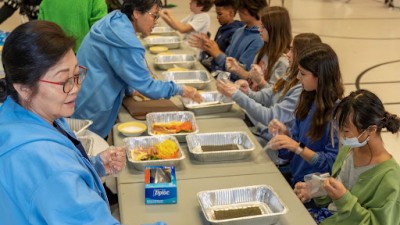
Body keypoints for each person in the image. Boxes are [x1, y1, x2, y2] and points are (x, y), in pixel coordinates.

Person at [0, 20, 124, 224]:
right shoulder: (48, 164)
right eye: (63, 81)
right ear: (24, 87)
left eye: (77, 75)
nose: (75, 88)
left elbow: (42, 188)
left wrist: (94, 167)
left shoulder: (20, 111)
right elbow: (52, 176)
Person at [72, 0, 202, 139]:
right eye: (154, 15)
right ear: (136, 13)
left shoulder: (116, 19)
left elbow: (116, 65)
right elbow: (148, 87)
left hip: (83, 96)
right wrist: (182, 89)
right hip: (94, 108)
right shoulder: (125, 40)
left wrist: (129, 88)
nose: (156, 21)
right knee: (89, 148)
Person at [294, 89, 400, 225]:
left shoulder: (390, 179)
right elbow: (339, 187)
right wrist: (316, 190)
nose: (341, 136)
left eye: (346, 131)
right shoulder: (350, 150)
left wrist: (344, 199)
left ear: (371, 130)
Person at [217, 33, 322, 146]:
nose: (288, 54)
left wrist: (237, 94)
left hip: (270, 140)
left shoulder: (301, 86)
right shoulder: (291, 73)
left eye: (292, 51)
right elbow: (269, 95)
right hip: (262, 131)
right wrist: (247, 92)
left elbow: (271, 116)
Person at [267, 43, 344, 186]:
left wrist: (297, 147)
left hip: (315, 193)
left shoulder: (337, 114)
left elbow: (330, 164)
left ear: (320, 77)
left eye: (303, 73)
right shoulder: (307, 99)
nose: (297, 77)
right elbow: (295, 149)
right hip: (297, 180)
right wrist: (285, 136)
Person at [225, 6, 292, 88]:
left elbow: (273, 95)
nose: (259, 29)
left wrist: (260, 81)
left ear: (274, 30)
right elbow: (251, 78)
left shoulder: (283, 62)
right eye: (260, 25)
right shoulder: (264, 50)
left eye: (263, 27)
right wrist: (237, 69)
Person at [208, 0, 267, 81]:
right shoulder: (239, 31)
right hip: (223, 81)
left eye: (241, 9)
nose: (239, 12)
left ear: (246, 11)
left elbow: (243, 75)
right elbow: (227, 58)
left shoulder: (259, 39)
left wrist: (217, 54)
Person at [188, 0, 244, 71]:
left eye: (220, 14)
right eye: (217, 14)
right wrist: (206, 46)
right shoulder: (222, 28)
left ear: (231, 13)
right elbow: (214, 52)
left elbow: (230, 61)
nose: (217, 17)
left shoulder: (235, 33)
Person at [38, 0, 108, 52]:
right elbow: (101, 31)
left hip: (55, 56)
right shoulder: (95, 1)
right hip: (83, 58)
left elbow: (41, 31)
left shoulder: (46, 2)